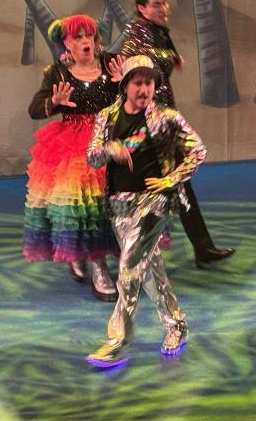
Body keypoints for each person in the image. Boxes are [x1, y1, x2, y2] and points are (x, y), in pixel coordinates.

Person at [85, 55, 205, 367]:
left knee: (128, 270)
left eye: (149, 82)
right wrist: (111, 149)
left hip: (153, 204)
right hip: (119, 206)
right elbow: (92, 158)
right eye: (138, 82)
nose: (144, 89)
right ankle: (177, 324)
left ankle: (117, 342)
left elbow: (198, 150)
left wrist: (170, 179)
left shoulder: (166, 117)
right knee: (150, 271)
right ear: (125, 86)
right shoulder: (107, 117)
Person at [120, 0, 235, 268]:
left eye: (164, 2)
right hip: (147, 124)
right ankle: (132, 254)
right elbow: (144, 66)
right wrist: (171, 58)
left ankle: (202, 247)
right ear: (142, 8)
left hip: (162, 121)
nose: (164, 8)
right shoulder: (138, 31)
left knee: (178, 183)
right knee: (150, 188)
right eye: (157, 4)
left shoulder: (158, 31)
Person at [23, 15, 124, 302]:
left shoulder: (112, 63)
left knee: (119, 204)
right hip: (75, 144)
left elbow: (138, 98)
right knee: (87, 205)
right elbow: (34, 109)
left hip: (110, 137)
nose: (85, 42)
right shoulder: (58, 72)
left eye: (89, 36)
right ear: (66, 43)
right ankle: (98, 266)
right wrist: (53, 103)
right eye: (77, 37)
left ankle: (121, 257)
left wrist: (123, 83)